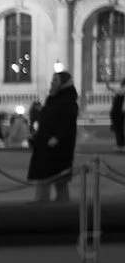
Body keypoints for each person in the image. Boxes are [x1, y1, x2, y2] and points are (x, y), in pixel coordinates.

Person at [29, 71, 80, 202]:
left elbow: (67, 123)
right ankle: (43, 206)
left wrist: (57, 138)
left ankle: (57, 211)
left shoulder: (68, 102)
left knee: (58, 181)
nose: (52, 83)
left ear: (63, 84)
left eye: (55, 81)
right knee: (44, 180)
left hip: (58, 149)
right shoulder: (53, 99)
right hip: (45, 147)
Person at [110, 80, 124, 151]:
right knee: (119, 129)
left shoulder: (122, 89)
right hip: (118, 113)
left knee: (119, 130)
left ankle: (120, 145)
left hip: (118, 113)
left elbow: (110, 88)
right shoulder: (121, 89)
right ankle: (120, 145)